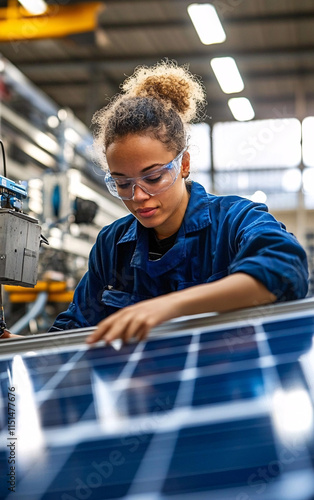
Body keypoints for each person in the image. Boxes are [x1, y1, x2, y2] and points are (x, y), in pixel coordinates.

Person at [47, 61, 308, 345]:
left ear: (183, 164)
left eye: (154, 177)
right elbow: (76, 327)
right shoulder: (112, 246)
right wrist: (21, 346)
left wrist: (170, 306)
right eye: (122, 183)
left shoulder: (235, 220)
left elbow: (285, 268)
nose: (138, 196)